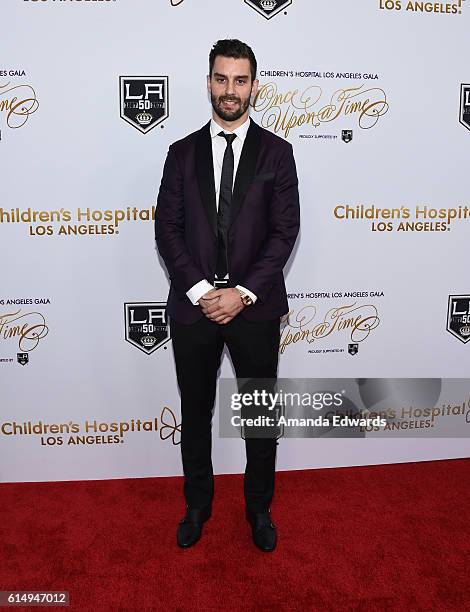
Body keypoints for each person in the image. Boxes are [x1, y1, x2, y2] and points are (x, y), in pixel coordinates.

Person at [155, 38, 300, 552]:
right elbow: (167, 230)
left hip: (253, 309)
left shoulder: (278, 154)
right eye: (221, 79)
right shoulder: (181, 153)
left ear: (254, 86)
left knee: (259, 415)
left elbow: (285, 233)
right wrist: (200, 292)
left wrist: (240, 293)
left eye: (240, 80)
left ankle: (259, 509)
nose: (230, 90)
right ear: (208, 83)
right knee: (194, 412)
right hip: (193, 310)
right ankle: (197, 506)